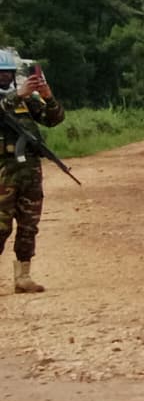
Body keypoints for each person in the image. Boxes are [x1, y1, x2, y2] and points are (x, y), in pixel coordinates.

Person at [0, 49, 65, 295]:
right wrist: (17, 95)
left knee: (29, 225)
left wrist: (48, 96)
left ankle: (23, 276)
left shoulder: (26, 100)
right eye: (0, 74)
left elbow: (54, 119)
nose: (4, 77)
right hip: (3, 172)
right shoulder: (13, 98)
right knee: (1, 226)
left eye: (8, 73)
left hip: (29, 170)